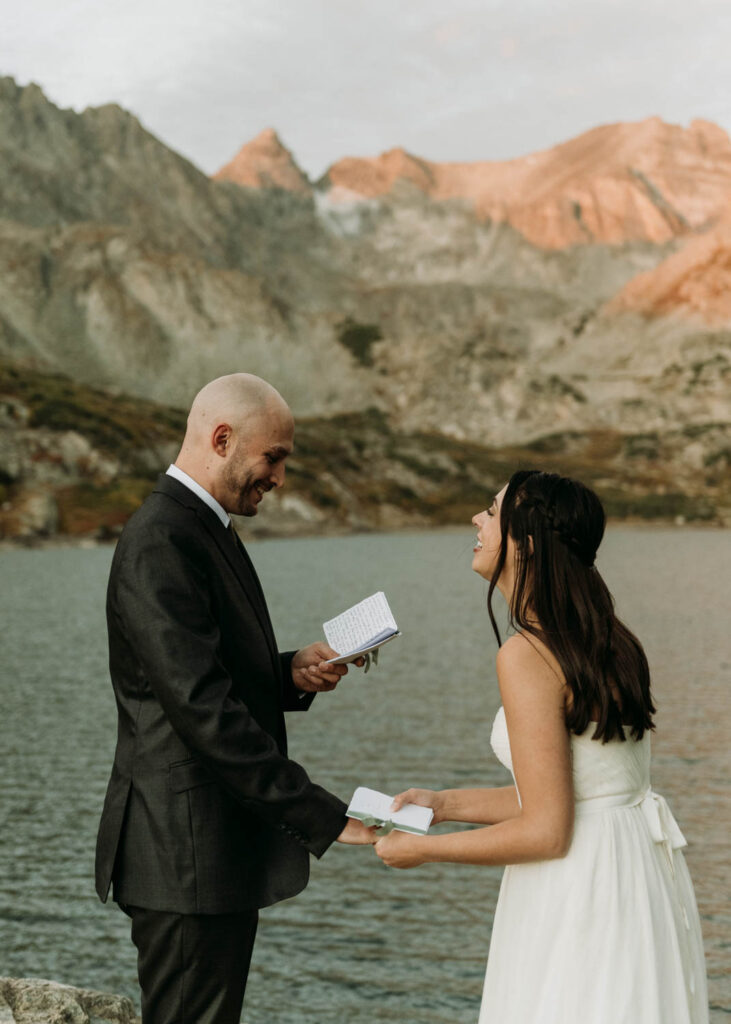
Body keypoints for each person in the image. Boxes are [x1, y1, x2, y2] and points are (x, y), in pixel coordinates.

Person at [374, 469, 708, 1024]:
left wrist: (425, 850)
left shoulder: (526, 655)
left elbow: (548, 830)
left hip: (580, 891)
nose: (475, 520)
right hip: (634, 875)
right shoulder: (613, 641)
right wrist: (444, 805)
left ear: (524, 545)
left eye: (491, 511)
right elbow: (579, 789)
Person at [95, 373, 375, 1024]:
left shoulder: (202, 526)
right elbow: (202, 711)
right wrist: (323, 816)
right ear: (222, 439)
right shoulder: (162, 539)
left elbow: (199, 675)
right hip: (182, 853)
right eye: (272, 458)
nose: (278, 477)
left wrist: (289, 674)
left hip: (205, 849)